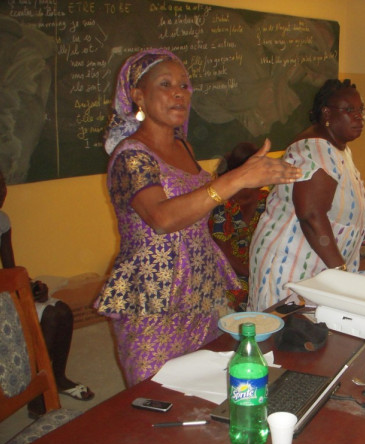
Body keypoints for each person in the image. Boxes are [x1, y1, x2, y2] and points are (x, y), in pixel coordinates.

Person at [94, 49, 301, 387]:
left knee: (202, 387)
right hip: (153, 296)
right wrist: (234, 179)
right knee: (156, 392)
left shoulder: (184, 147)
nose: (179, 93)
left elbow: (201, 204)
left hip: (200, 289)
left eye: (185, 85)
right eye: (165, 84)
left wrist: (251, 183)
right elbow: (161, 218)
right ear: (138, 96)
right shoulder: (130, 156)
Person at [248, 79, 365, 310]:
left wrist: (359, 226)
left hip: (318, 265)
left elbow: (335, 202)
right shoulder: (315, 149)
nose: (359, 117)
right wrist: (341, 272)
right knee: (283, 337)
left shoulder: (337, 147)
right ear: (326, 113)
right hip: (291, 264)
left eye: (361, 110)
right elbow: (311, 215)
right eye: (349, 110)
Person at [0, 170, 93, 417]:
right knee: (46, 317)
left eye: (2, 185)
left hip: (4, 292)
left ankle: (56, 379)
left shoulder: (2, 220)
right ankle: (36, 393)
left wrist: (30, 286)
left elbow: (10, 268)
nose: (1, 193)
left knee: (60, 312)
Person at [208, 142, 269, 310]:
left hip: (255, 272)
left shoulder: (266, 200)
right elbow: (223, 254)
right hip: (227, 274)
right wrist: (255, 276)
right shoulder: (222, 204)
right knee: (246, 299)